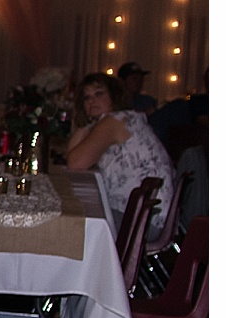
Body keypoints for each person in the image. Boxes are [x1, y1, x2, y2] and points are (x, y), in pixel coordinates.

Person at [65, 72, 177, 233]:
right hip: (147, 214)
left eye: (99, 93)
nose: (92, 101)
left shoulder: (115, 120)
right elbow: (71, 157)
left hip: (144, 221)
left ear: (114, 96)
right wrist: (86, 120)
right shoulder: (121, 118)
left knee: (74, 223)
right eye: (86, 98)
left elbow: (75, 162)